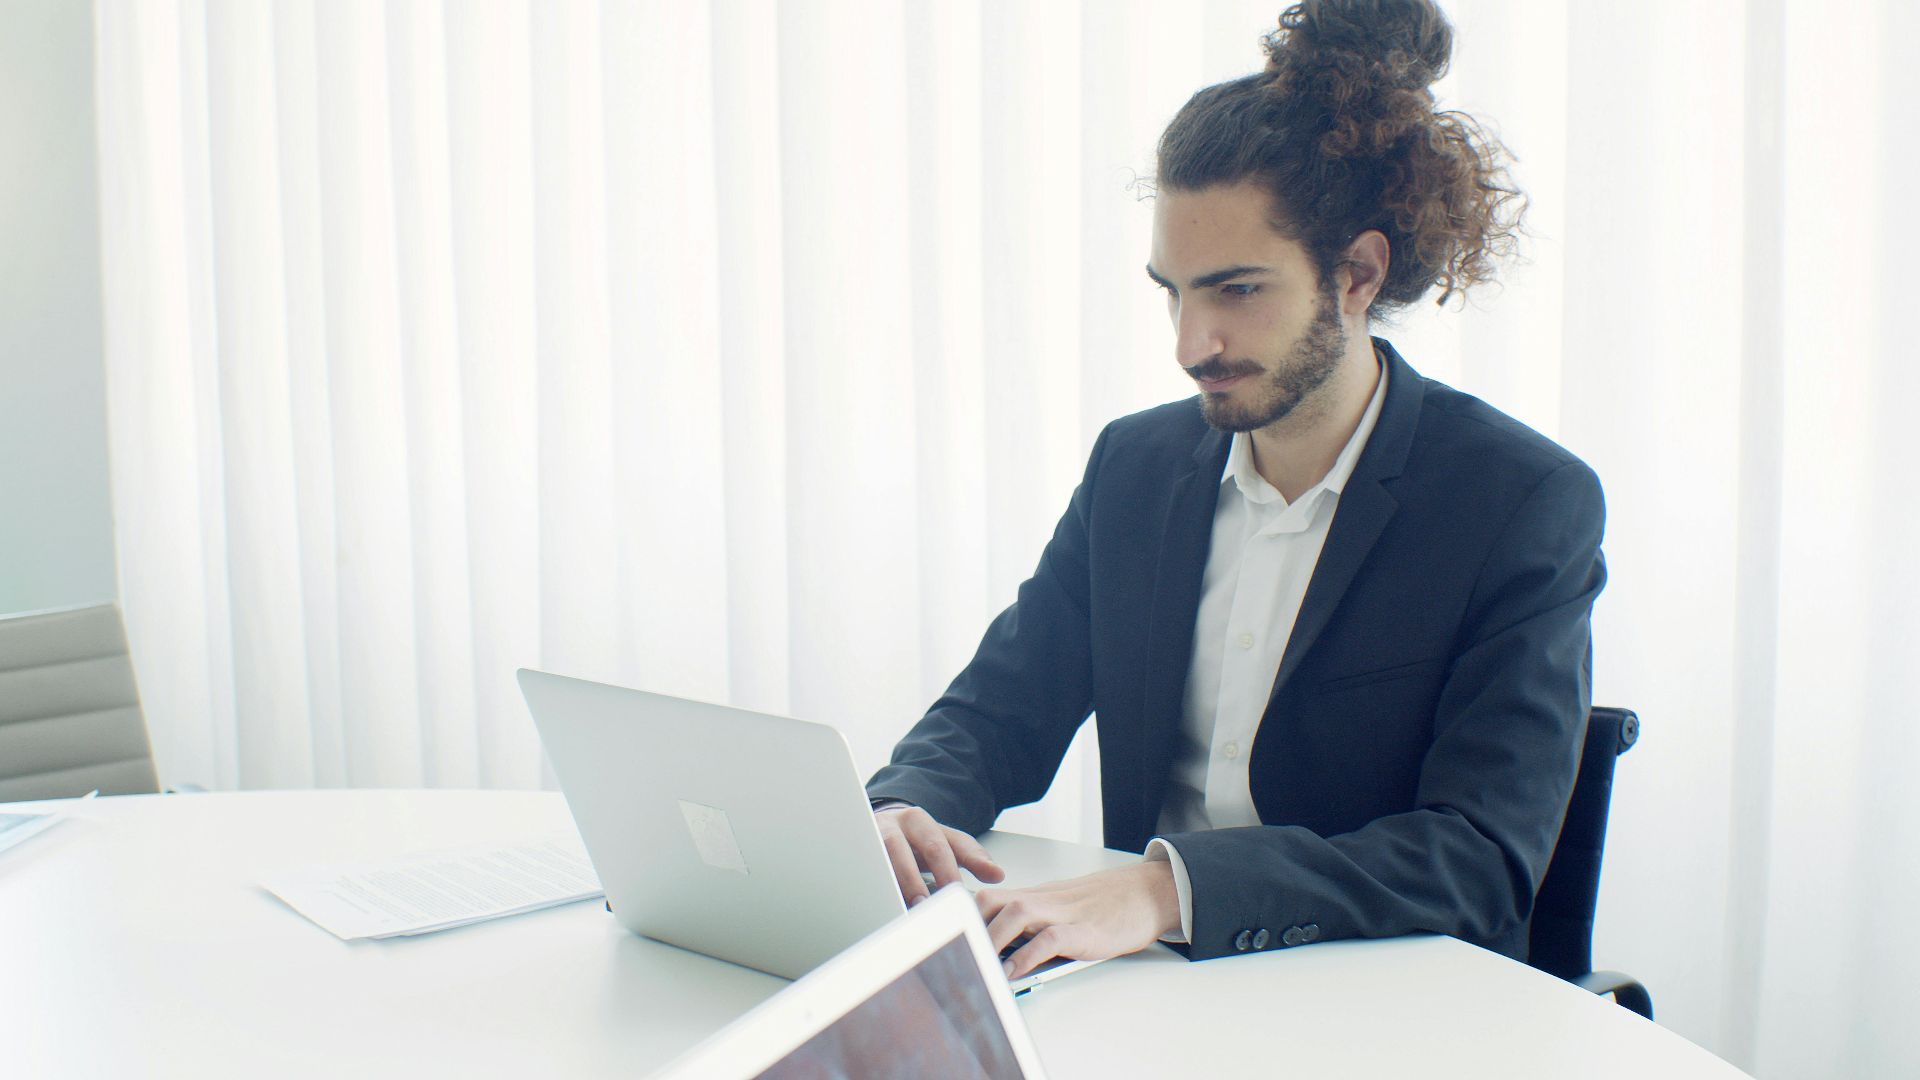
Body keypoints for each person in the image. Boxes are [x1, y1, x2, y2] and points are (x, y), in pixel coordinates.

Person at [865, 0, 1606, 982]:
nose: (1190, 344)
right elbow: (1000, 711)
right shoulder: (1134, 470)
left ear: (1356, 273)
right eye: (1172, 290)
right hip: (1137, 991)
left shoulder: (1518, 502)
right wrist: (903, 807)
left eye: (1236, 290)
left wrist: (1166, 889)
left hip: (1375, 1001)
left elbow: (1478, 861)